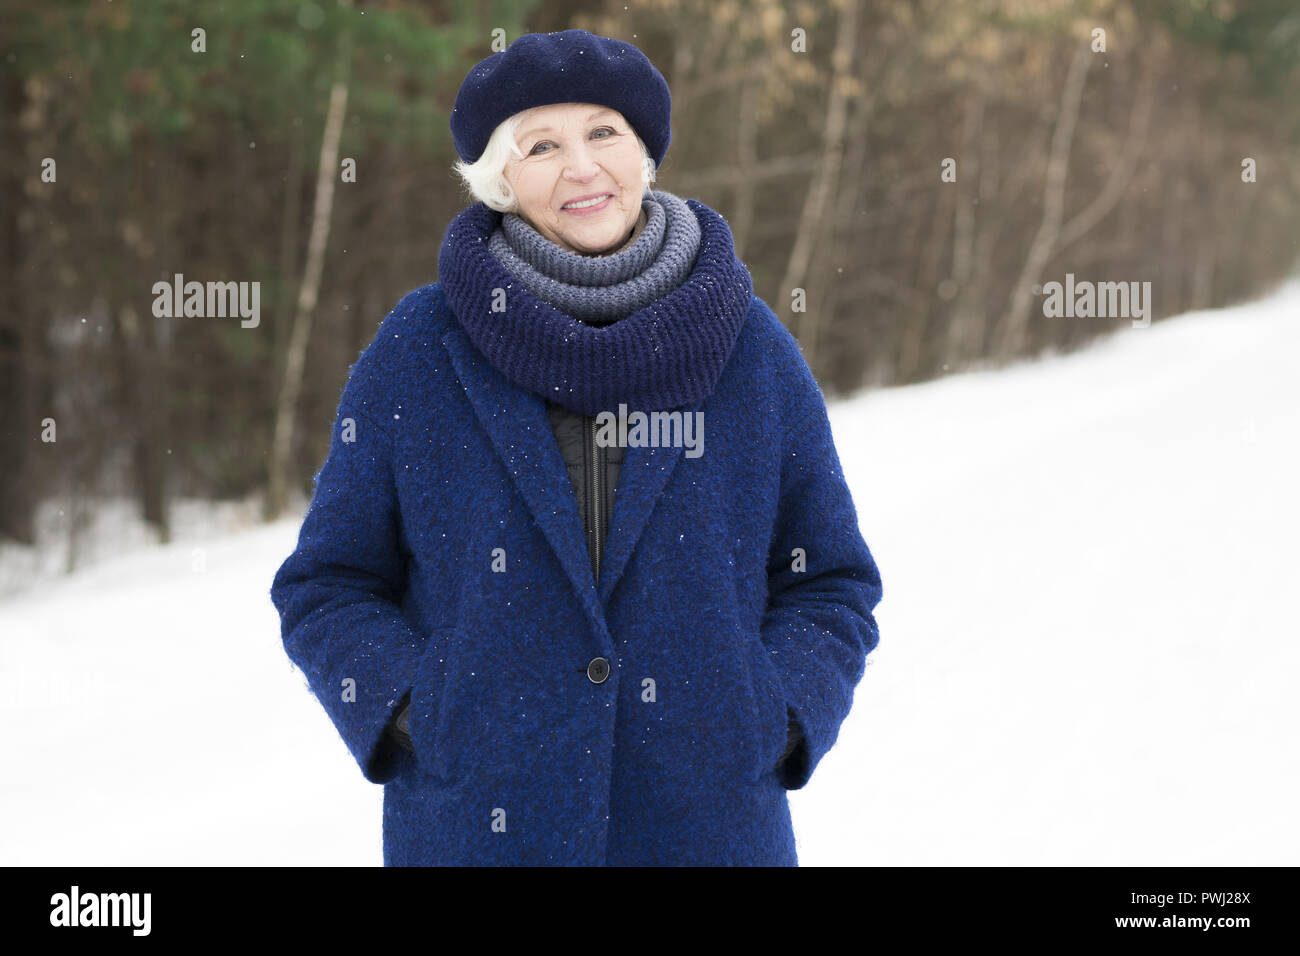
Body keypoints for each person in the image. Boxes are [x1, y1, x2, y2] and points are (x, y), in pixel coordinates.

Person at [270, 28, 883, 867]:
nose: (582, 167)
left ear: (644, 152)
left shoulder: (748, 345)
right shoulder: (418, 349)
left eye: (605, 132)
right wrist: (417, 712)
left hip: (709, 829)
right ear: (498, 178)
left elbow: (832, 578)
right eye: (542, 145)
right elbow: (328, 584)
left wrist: (774, 716)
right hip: (478, 832)